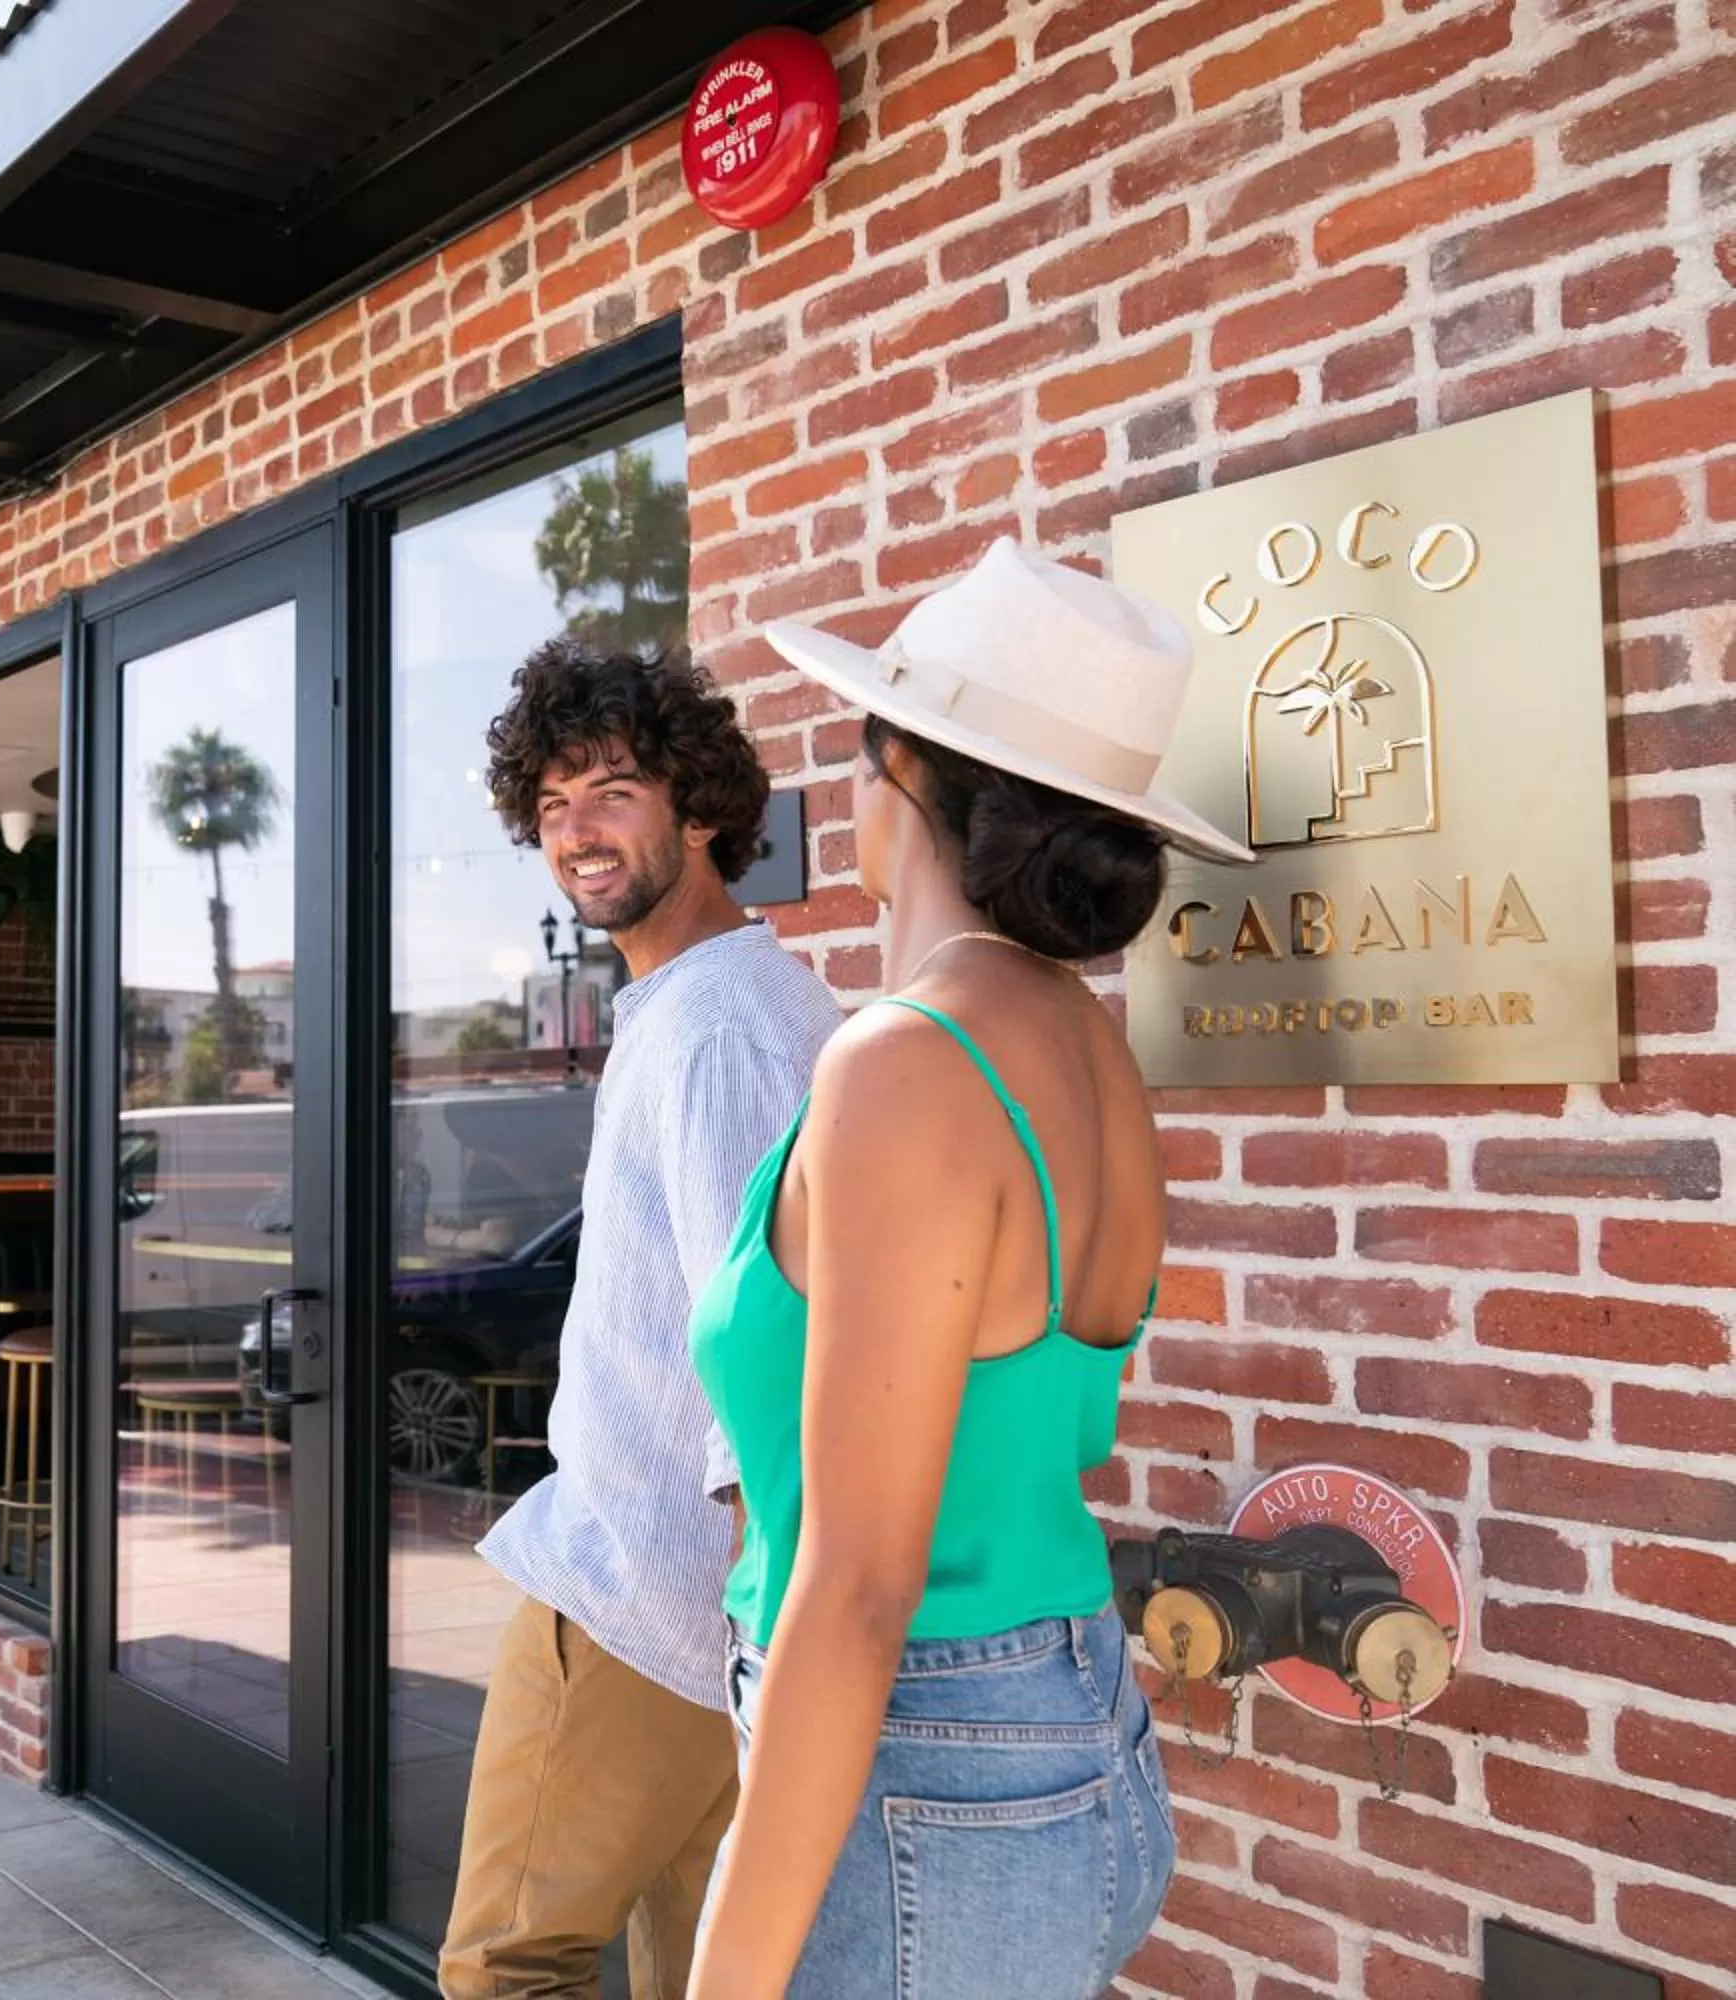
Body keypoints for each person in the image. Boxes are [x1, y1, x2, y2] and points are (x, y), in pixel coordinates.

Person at [686, 538, 1251, 1999]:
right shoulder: (1092, 1053)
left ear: (898, 774)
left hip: (922, 1774)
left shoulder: (906, 1064)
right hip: (1063, 1731)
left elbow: (860, 1585)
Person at [440, 636, 841, 1999]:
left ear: (702, 808)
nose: (578, 833)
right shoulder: (715, 1004)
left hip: (641, 1591)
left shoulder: (720, 1025)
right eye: (553, 805)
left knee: (508, 1966)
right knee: (701, 1974)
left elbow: (764, 1328)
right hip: (708, 1613)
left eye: (613, 791)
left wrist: (763, 1604)